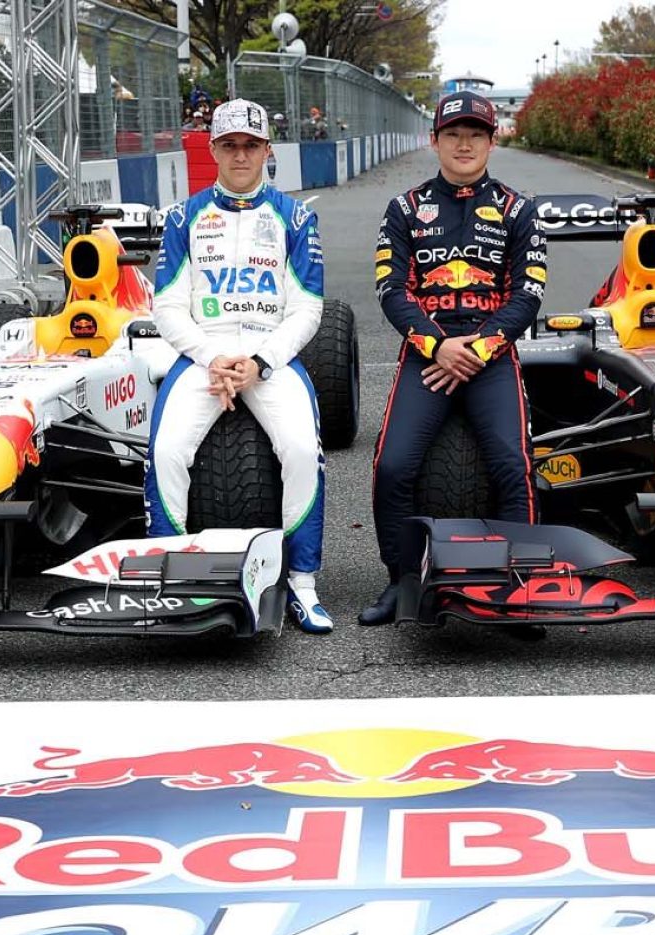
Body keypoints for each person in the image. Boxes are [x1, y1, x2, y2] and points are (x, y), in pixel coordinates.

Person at [359, 90, 548, 627]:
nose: (464, 144)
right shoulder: (404, 208)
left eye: (475, 134)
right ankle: (400, 581)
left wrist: (478, 349)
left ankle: (524, 589)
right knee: (392, 465)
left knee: (514, 468)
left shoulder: (518, 209)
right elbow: (391, 289)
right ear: (434, 140)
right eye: (453, 134)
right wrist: (438, 345)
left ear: (492, 140)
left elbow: (527, 294)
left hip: (493, 355)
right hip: (429, 353)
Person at [144, 99, 333, 634]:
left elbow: (308, 308)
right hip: (203, 355)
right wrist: (214, 359)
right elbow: (167, 306)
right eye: (230, 145)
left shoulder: (296, 216)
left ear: (267, 150)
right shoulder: (183, 216)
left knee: (300, 448)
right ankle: (168, 578)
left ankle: (302, 583)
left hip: (270, 356)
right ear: (214, 150)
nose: (241, 154)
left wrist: (259, 362)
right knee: (166, 450)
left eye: (251, 145)